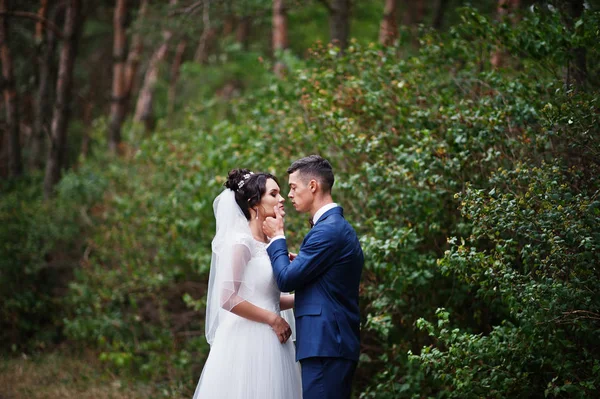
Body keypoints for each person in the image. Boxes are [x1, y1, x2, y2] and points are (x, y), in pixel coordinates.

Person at [192, 169, 302, 399]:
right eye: (274, 194)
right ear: (254, 204)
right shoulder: (241, 243)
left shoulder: (270, 244)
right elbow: (227, 298)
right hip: (248, 341)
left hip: (275, 338)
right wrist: (273, 319)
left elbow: (267, 298)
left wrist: (305, 298)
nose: (282, 199)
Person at [263, 155, 364, 399]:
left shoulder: (328, 230)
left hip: (326, 345)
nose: (289, 195)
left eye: (293, 187)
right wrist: (304, 262)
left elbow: (286, 280)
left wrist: (277, 237)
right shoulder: (332, 227)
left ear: (313, 186)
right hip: (329, 345)